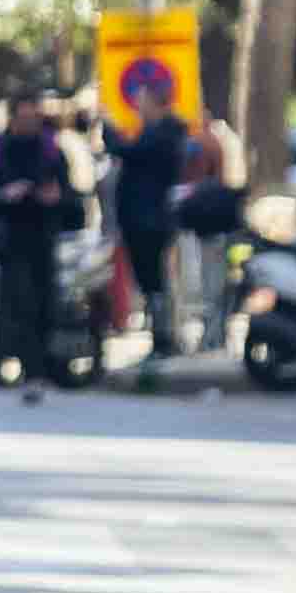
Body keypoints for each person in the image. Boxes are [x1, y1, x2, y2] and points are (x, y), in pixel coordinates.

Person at [0, 91, 77, 396]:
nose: (30, 125)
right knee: (16, 303)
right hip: (9, 238)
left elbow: (71, 197)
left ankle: (38, 369)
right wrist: (4, 195)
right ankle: (8, 367)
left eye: (35, 118)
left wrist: (56, 198)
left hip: (43, 236)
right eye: (25, 118)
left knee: (43, 304)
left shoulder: (51, 150)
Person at [105, 58, 199, 388]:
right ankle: (161, 334)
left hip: (149, 220)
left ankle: (163, 337)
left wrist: (108, 132)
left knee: (154, 280)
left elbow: (129, 153)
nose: (138, 107)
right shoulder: (155, 132)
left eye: (142, 101)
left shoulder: (164, 134)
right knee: (150, 281)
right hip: (140, 218)